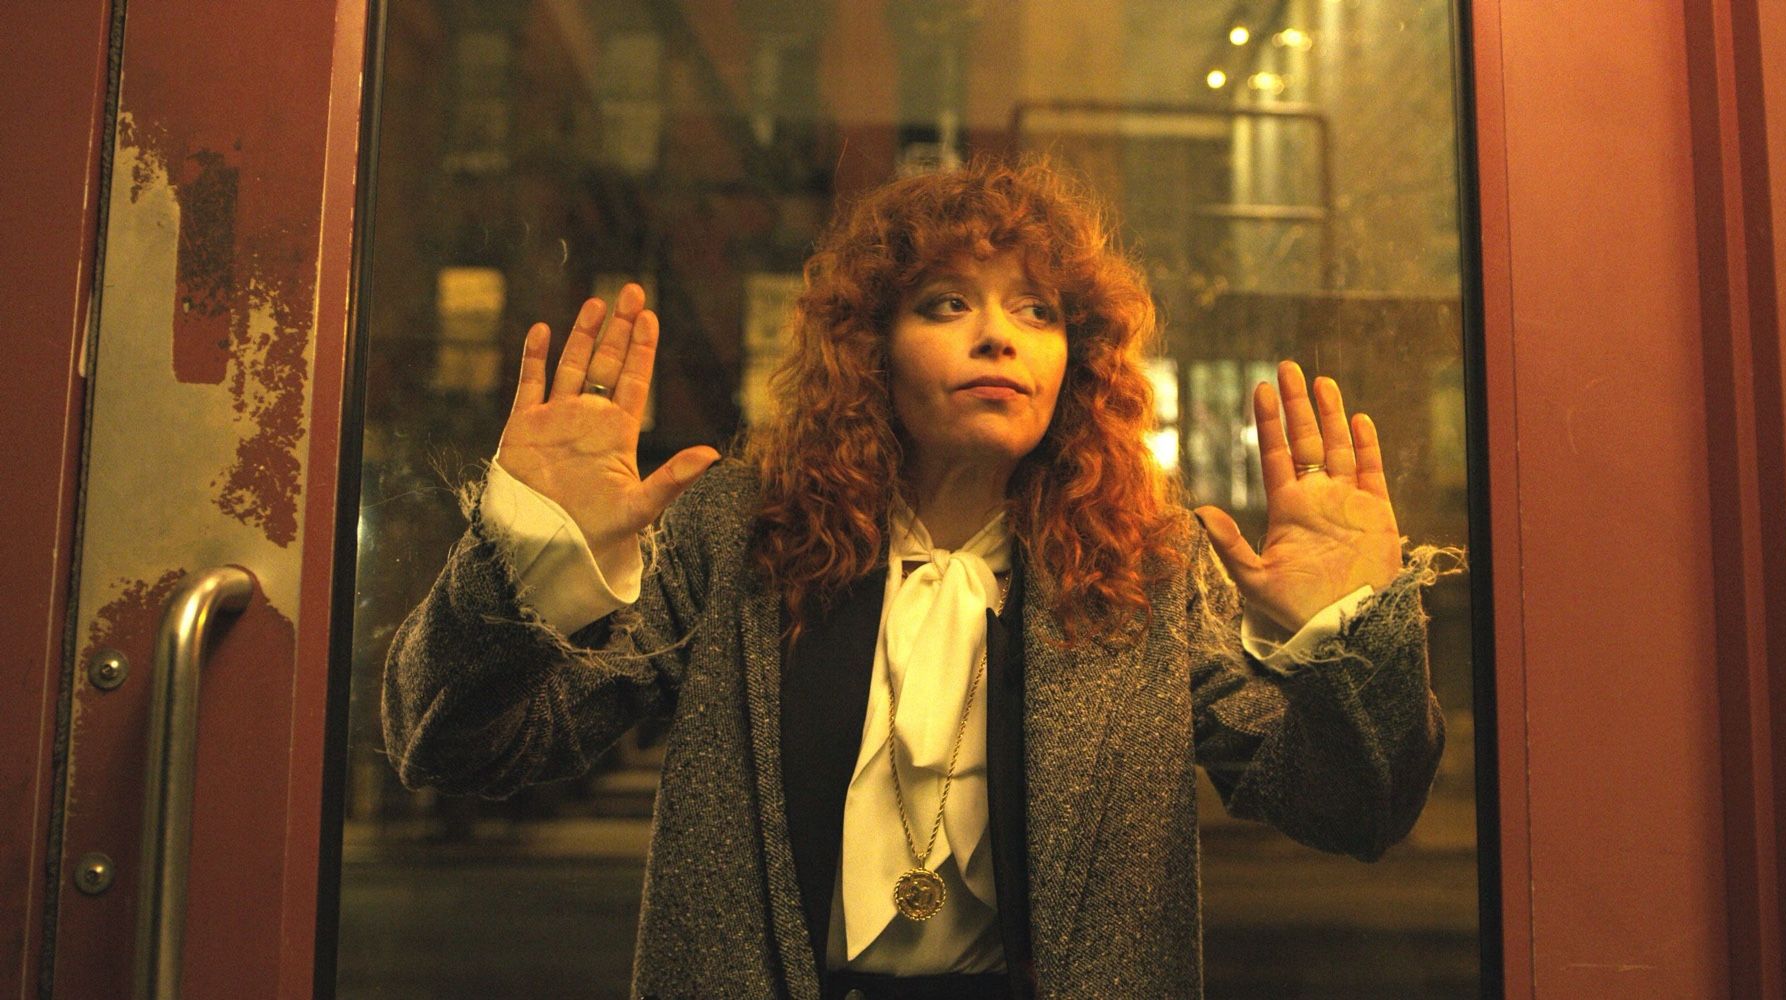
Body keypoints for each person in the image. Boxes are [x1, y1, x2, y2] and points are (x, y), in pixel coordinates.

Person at [383, 158, 1456, 1000]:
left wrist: (1348, 636)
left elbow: (1349, 805)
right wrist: (526, 555)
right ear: (870, 347)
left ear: (1072, 360)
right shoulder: (738, 530)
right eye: (946, 303)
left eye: (1036, 311)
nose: (998, 333)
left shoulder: (1148, 560)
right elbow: (459, 743)